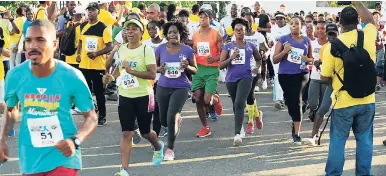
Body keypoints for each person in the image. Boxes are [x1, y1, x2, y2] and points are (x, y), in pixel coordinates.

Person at [0, 19, 97, 176]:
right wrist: (2, 139)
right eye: (28, 41)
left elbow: (91, 117)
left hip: (63, 157)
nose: (33, 46)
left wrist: (75, 140)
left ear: (54, 44)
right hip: (30, 158)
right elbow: (11, 110)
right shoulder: (15, 75)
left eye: (40, 40)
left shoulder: (71, 76)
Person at [321, 2, 376, 175]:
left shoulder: (332, 46)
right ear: (357, 20)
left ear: (340, 23)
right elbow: (370, 20)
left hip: (343, 102)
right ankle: (363, 173)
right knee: (365, 141)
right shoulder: (368, 35)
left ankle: (334, 173)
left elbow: (324, 77)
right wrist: (356, 1)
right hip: (368, 99)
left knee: (338, 141)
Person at [113, 19, 164, 176]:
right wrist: (112, 76)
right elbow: (119, 69)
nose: (130, 31)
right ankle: (124, 170)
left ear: (141, 33)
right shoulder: (121, 48)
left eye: (135, 29)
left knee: (145, 132)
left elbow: (152, 74)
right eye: (128, 29)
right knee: (126, 133)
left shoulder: (146, 50)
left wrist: (131, 72)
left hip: (144, 95)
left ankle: (158, 146)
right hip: (125, 95)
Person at [156, 21, 197, 160]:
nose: (172, 35)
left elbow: (195, 70)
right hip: (163, 86)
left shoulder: (187, 50)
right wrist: (159, 69)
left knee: (171, 117)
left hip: (181, 87)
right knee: (163, 119)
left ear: (181, 34)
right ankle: (175, 121)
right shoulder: (160, 49)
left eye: (175, 32)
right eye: (170, 32)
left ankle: (169, 149)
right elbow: (153, 67)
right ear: (166, 35)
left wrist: (187, 67)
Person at [220, 18, 262, 146]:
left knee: (239, 103)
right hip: (231, 79)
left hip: (246, 77)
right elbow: (221, 65)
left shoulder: (251, 46)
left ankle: (237, 134)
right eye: (237, 30)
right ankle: (241, 127)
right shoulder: (228, 46)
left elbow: (259, 59)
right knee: (235, 104)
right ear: (233, 31)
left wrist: (257, 67)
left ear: (245, 31)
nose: (239, 32)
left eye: (242, 30)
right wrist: (232, 57)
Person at [272, 16, 313, 145]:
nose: (294, 25)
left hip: (302, 74)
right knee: (292, 103)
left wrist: (307, 59)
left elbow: (310, 59)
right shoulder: (283, 40)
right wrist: (285, 51)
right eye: (292, 23)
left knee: (298, 102)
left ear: (301, 26)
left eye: (297, 23)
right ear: (289, 26)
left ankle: (297, 134)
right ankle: (295, 117)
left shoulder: (306, 40)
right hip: (286, 75)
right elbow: (275, 59)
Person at [76, 2, 113, 127]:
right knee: (85, 92)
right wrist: (79, 53)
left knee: (99, 92)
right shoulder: (83, 26)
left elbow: (110, 47)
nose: (90, 12)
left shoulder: (104, 28)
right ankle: (91, 113)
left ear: (98, 12)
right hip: (84, 65)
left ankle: (102, 116)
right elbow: (81, 41)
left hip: (97, 66)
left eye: (93, 10)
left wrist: (97, 53)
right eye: (89, 10)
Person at [306, 23, 339, 146]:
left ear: (338, 33)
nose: (331, 37)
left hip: (346, 86)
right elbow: (324, 69)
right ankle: (313, 136)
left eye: (333, 34)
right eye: (329, 34)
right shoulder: (325, 49)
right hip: (331, 83)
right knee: (323, 108)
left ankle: (339, 139)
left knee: (340, 111)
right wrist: (319, 64)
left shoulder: (345, 46)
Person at [192, 9, 223, 137]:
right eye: (201, 17)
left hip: (211, 69)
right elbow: (194, 51)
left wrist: (215, 58)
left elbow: (223, 53)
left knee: (206, 100)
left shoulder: (216, 34)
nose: (203, 19)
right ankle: (205, 127)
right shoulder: (195, 34)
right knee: (198, 98)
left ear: (210, 18)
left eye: (205, 17)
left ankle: (216, 99)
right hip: (199, 69)